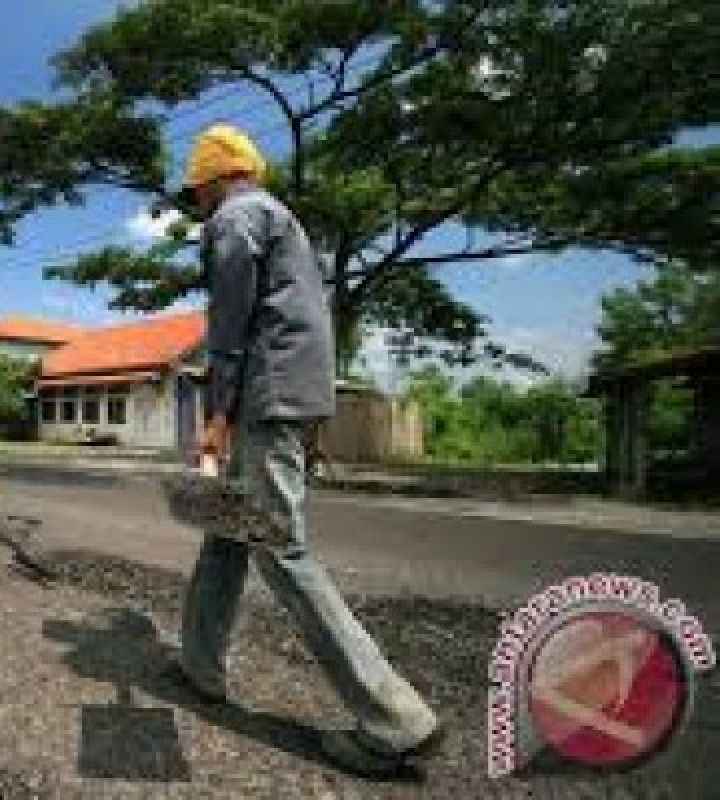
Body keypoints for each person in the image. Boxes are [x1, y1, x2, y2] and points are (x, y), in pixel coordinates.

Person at [173, 124, 442, 774]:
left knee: (278, 547)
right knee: (226, 532)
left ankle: (393, 719)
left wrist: (217, 412)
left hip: (266, 395)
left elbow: (230, 324)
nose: (197, 205)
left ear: (213, 177)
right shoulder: (280, 218)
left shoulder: (236, 219)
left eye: (196, 192)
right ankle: (199, 666)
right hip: (293, 393)